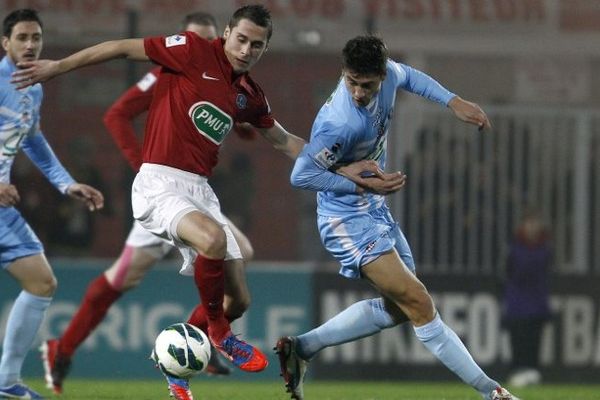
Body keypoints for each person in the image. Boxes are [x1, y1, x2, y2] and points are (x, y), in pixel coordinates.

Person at [11, 6, 389, 400]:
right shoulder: (191, 50)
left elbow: (284, 141)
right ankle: (219, 333)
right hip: (158, 183)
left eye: (256, 44)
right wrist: (58, 68)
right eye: (240, 39)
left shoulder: (248, 94)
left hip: (199, 190)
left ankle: (178, 368)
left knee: (239, 298)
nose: (246, 49)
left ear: (265, 48)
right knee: (210, 242)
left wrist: (344, 168)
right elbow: (121, 48)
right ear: (226, 33)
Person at [275, 35, 519, 400]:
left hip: (375, 211)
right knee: (420, 303)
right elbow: (301, 176)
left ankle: (302, 348)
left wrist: (452, 101)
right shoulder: (339, 123)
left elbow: (411, 77)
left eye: (366, 84)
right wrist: (357, 184)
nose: (358, 92)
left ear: (380, 75)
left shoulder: (389, 74)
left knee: (401, 309)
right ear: (344, 74)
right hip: (345, 221)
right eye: (351, 82)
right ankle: (492, 393)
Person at [38, 12, 240, 396]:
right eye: (196, 39)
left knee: (237, 264)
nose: (208, 50)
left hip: (194, 195)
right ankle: (63, 348)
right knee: (122, 279)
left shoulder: (222, 76)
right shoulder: (169, 68)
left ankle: (199, 339)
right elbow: (117, 114)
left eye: (212, 42)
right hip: (162, 192)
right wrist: (142, 163)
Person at [0, 9, 104, 400]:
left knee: (42, 282)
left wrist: (66, 183)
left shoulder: (34, 87)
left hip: (2, 211)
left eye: (36, 38)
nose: (30, 45)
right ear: (5, 43)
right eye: (22, 37)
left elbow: (33, 140)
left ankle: (7, 384)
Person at [503, 209, 551, 387]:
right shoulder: (514, 246)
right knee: (518, 340)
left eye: (535, 223)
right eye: (529, 223)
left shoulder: (545, 248)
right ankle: (518, 372)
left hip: (537, 303)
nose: (532, 227)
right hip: (517, 303)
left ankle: (532, 372)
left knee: (534, 341)